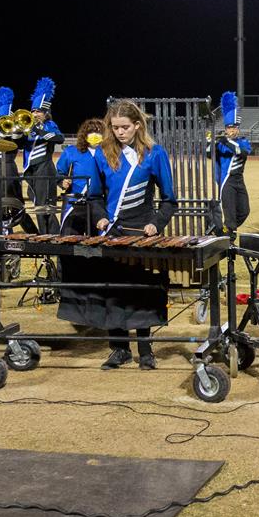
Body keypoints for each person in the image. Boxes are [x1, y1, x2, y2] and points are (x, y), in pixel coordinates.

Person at [87, 99, 178, 370]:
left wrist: (156, 224)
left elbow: (169, 200)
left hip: (142, 232)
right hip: (113, 231)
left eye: (125, 127)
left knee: (143, 291)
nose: (119, 132)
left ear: (137, 125)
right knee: (114, 291)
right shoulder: (102, 154)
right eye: (115, 128)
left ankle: (145, 351)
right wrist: (101, 217)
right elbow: (93, 196)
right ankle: (119, 349)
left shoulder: (154, 153)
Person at [0, 87, 37, 233]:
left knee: (16, 205)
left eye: (5, 119)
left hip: (8, 170)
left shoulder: (14, 133)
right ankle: (0, 234)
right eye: (0, 119)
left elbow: (21, 142)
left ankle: (33, 233)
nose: (3, 122)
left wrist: (13, 130)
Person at [21, 77, 65, 234]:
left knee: (45, 205)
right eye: (33, 110)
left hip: (44, 168)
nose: (34, 113)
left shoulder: (49, 125)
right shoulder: (27, 128)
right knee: (37, 203)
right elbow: (20, 144)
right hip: (30, 170)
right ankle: (44, 233)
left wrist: (40, 131)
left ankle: (51, 235)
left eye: (38, 111)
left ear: (46, 113)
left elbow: (60, 138)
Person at [208, 91, 250, 235]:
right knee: (230, 215)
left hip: (239, 180)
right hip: (227, 181)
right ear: (225, 128)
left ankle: (223, 229)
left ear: (238, 128)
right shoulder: (220, 144)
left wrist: (226, 140)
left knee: (244, 211)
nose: (232, 130)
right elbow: (209, 154)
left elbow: (241, 153)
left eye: (234, 127)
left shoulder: (243, 142)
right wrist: (211, 142)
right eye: (229, 127)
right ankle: (229, 238)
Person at [55, 118, 104, 235]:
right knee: (69, 239)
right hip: (74, 202)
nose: (95, 135)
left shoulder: (107, 153)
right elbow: (59, 172)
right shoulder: (71, 151)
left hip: (98, 202)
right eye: (92, 132)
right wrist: (62, 182)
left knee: (97, 242)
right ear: (85, 134)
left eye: (99, 132)